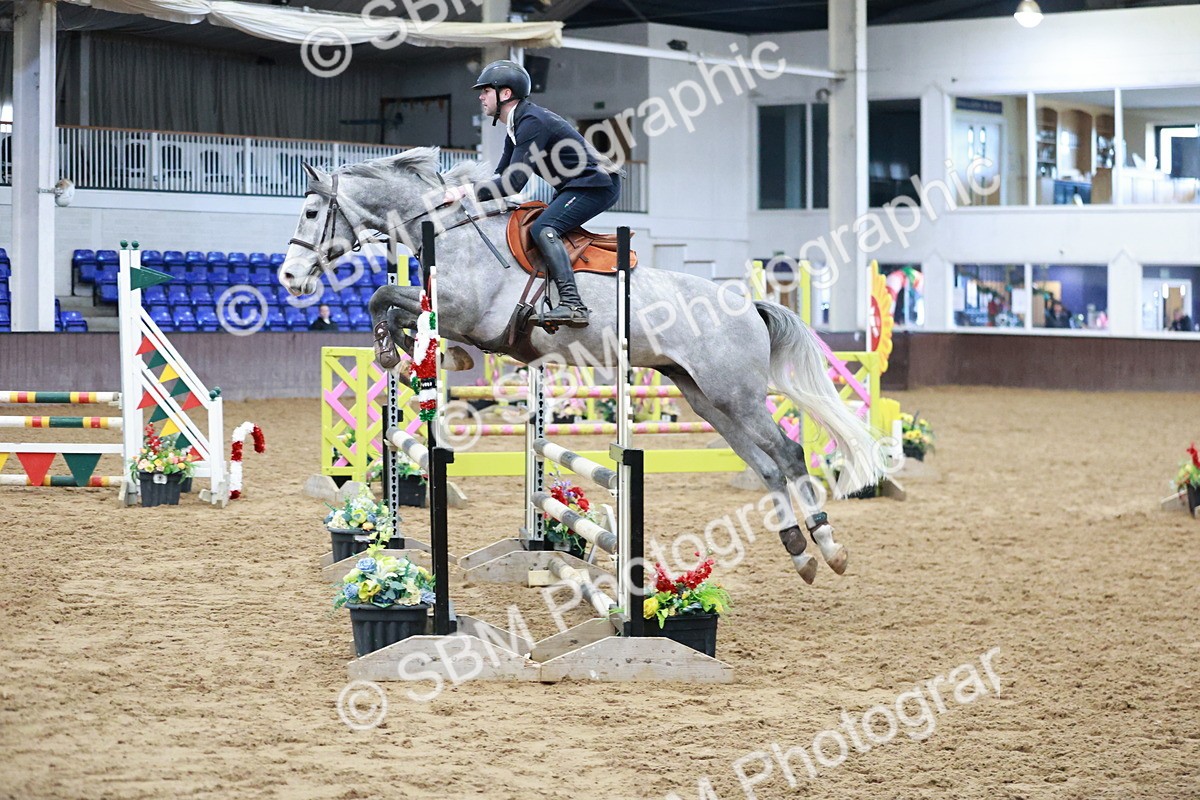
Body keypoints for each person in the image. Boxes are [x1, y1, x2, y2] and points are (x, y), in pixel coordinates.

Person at [441, 60, 621, 328]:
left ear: (505, 93)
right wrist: (463, 196)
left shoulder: (531, 122)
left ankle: (573, 305)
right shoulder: (516, 127)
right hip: (577, 186)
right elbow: (500, 177)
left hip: (596, 186)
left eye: (486, 91)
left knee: (543, 228)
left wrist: (464, 190)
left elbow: (513, 184)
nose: (481, 96)